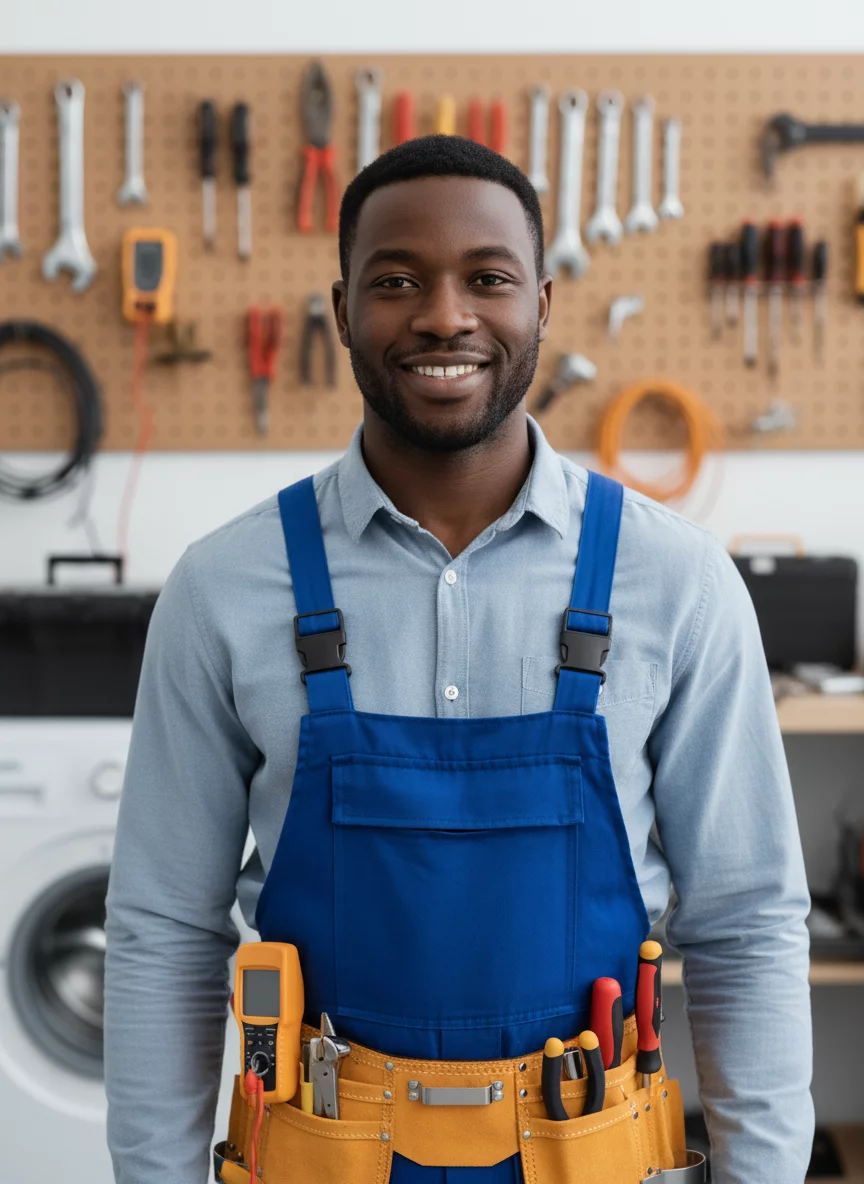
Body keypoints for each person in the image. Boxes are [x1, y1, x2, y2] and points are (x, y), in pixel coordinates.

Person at [105, 135, 813, 1184]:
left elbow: (748, 919)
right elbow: (162, 929)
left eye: (488, 278)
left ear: (544, 304)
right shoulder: (223, 588)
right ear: (341, 311)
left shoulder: (680, 581)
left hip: (594, 1155)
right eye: (397, 281)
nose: (444, 315)